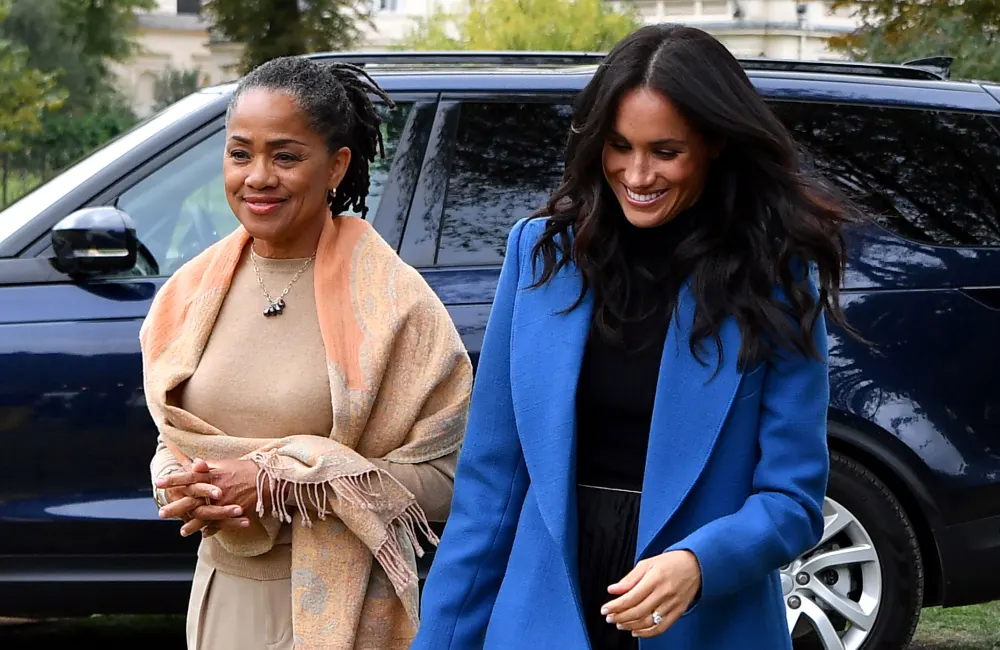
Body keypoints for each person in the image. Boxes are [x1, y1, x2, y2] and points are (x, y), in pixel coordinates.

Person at [413, 24, 856, 650]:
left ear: (715, 145)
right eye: (618, 146)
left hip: (704, 620)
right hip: (547, 611)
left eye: (665, 151)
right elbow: (492, 485)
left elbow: (792, 500)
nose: (637, 173)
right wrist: (442, 639)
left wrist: (700, 565)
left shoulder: (777, 277)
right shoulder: (541, 255)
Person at [141, 56, 473, 650]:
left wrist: (280, 483)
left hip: (341, 612)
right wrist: (179, 481)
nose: (257, 177)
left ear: (336, 166)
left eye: (286, 156)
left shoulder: (396, 306)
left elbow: (449, 479)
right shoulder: (190, 294)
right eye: (240, 153)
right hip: (222, 601)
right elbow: (177, 437)